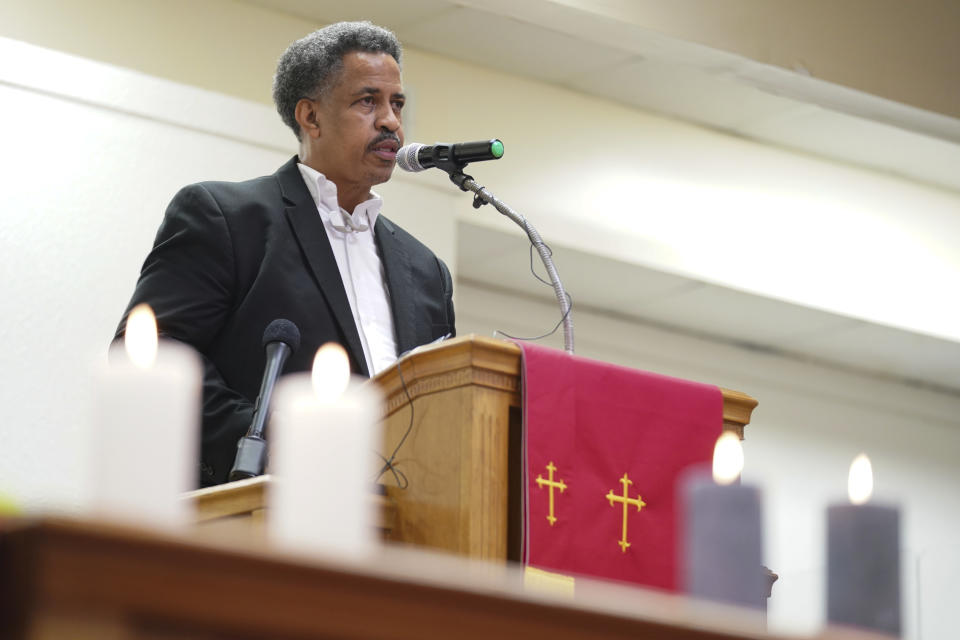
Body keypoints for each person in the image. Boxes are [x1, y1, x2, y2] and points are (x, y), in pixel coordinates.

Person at [115, 21, 455, 487]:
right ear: (310, 118)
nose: (391, 121)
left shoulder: (425, 270)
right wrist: (272, 442)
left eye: (396, 104)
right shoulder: (227, 217)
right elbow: (153, 355)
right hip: (261, 515)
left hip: (402, 530)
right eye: (367, 101)